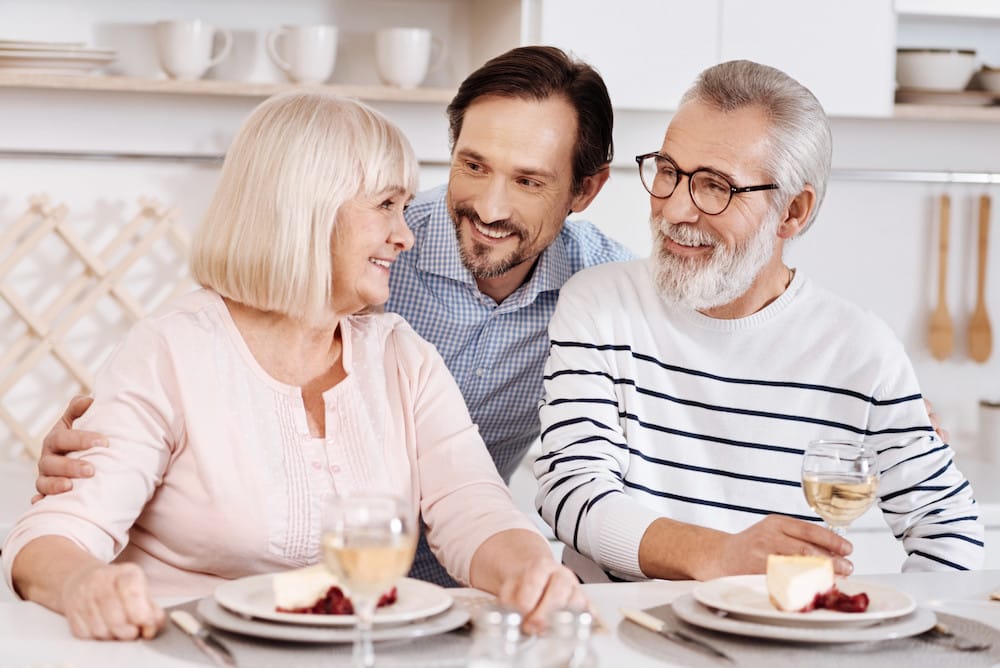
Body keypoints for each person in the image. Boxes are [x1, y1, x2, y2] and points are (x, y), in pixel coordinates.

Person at [32, 46, 635, 588]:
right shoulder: (174, 348)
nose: (408, 234)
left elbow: (474, 506)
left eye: (529, 180)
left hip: (413, 605)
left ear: (583, 191)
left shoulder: (595, 298)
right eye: (472, 166)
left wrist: (530, 568)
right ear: (306, 213)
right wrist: (91, 516)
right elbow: (62, 534)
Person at [534, 60, 985, 584]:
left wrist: (878, 630)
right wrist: (717, 555)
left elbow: (951, 535)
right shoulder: (601, 304)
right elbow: (571, 490)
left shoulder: (861, 351)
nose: (676, 208)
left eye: (715, 186)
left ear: (792, 212)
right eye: (667, 171)